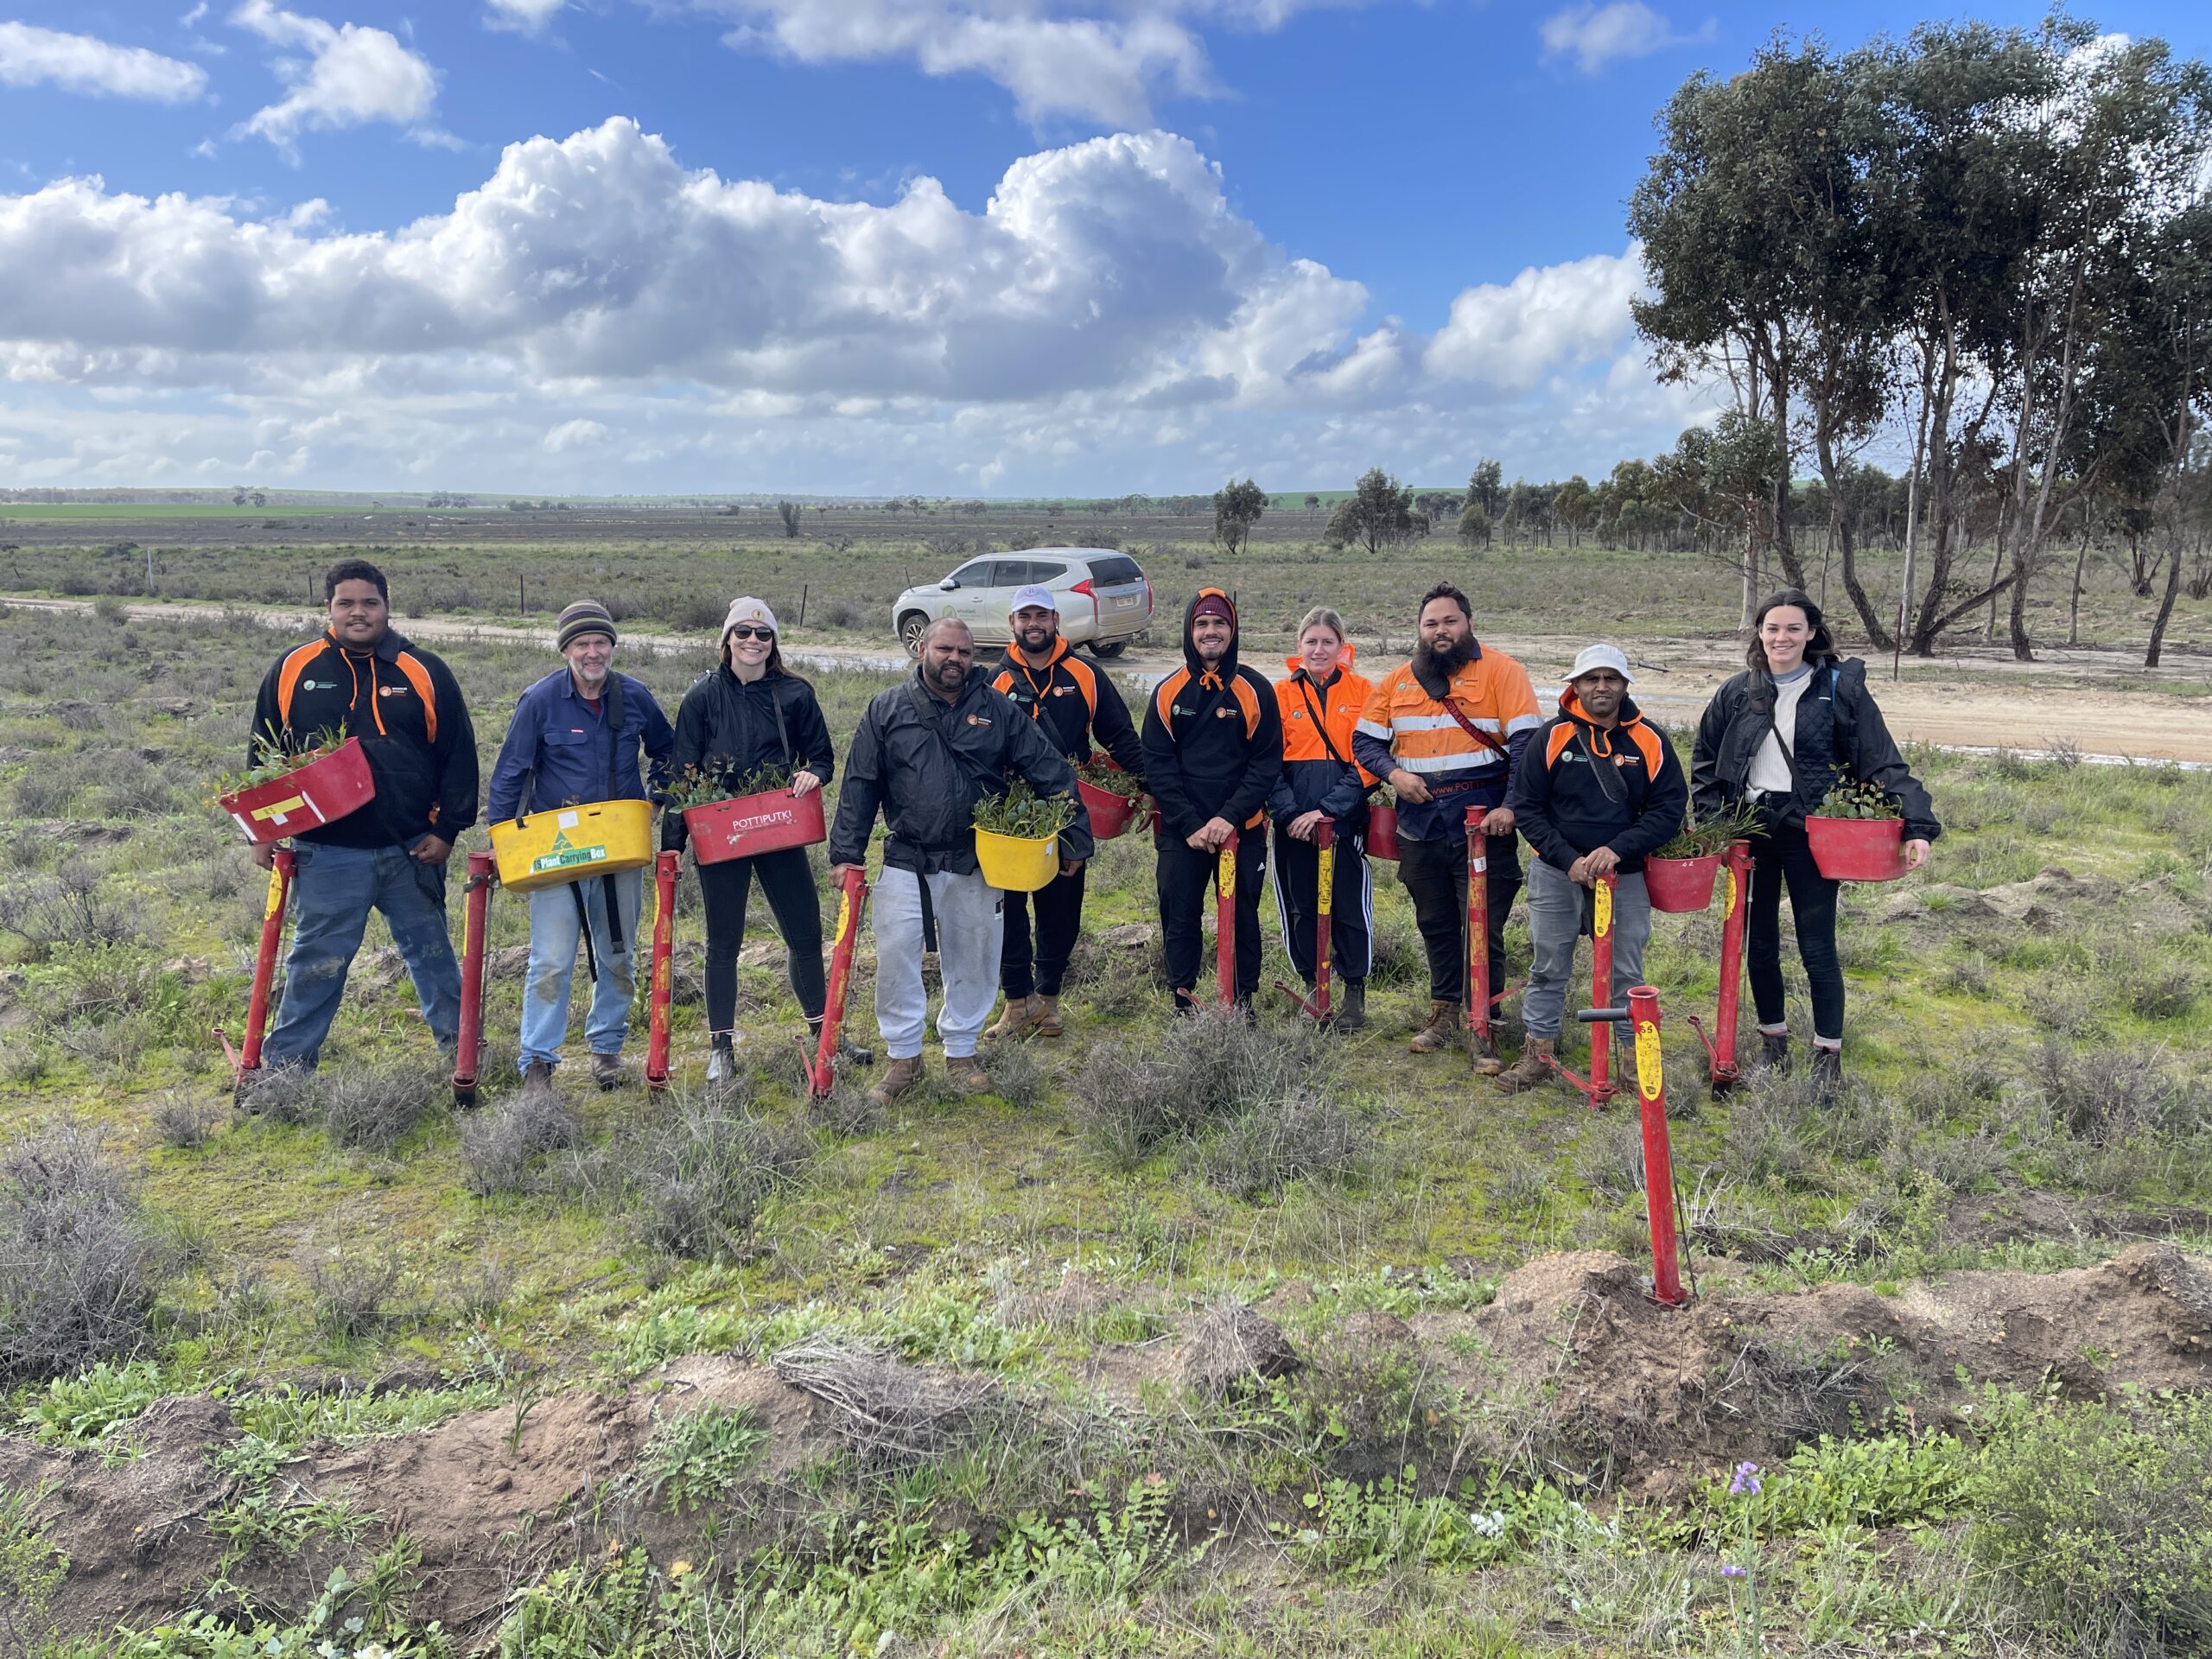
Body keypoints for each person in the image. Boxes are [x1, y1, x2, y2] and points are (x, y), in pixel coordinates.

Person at [830, 618, 1092, 1103]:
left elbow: (1048, 768)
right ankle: (903, 1058)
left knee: (974, 956)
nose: (955, 659)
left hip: (975, 857)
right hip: (906, 856)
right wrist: (846, 854)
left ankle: (961, 1052)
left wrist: (1074, 836)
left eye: (965, 653)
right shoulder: (887, 709)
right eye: (945, 649)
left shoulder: (998, 709)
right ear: (922, 649)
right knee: (897, 956)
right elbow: (861, 783)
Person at [1691, 588, 1937, 1093]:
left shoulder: (1838, 689)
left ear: (1811, 633)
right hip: (1751, 832)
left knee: (1816, 943)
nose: (1782, 638)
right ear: (1759, 633)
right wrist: (1716, 827)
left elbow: (1880, 759)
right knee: (1757, 944)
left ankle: (1828, 1058)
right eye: (1773, 628)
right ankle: (1772, 1046)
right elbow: (1706, 767)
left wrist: (1916, 825)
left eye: (1793, 628)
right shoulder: (1737, 692)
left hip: (1812, 833)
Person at [245, 558, 477, 1081]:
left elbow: (458, 755)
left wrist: (446, 831)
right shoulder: (294, 669)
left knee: (434, 959)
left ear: (386, 607)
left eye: (369, 603)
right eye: (346, 603)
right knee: (315, 964)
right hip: (326, 852)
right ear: (327, 608)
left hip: (411, 850)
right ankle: (287, 1073)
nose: (358, 613)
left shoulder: (425, 670)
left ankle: (462, 1058)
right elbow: (264, 752)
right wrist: (262, 831)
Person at [486, 600, 675, 1097]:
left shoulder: (634, 697)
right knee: (550, 959)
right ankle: (538, 1064)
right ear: (567, 648)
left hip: (620, 845)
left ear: (612, 645)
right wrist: (505, 839)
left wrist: (655, 801)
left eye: (601, 642)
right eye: (582, 644)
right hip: (557, 848)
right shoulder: (540, 700)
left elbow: (668, 753)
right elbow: (510, 772)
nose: (593, 653)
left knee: (617, 953)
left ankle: (607, 1049)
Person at [1353, 583, 1541, 1072]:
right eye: (1431, 623)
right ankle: (1443, 1014)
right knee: (1435, 923)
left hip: (1484, 825)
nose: (1440, 631)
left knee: (1484, 927)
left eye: (1449, 621)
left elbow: (1526, 746)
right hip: (1420, 825)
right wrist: (1394, 774)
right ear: (1419, 630)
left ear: (1469, 624)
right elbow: (1365, 741)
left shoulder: (1503, 672)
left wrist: (1512, 806)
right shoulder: (1397, 682)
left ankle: (1486, 1024)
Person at [664, 599, 840, 1085]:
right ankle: (721, 1046)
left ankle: (825, 1036)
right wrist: (672, 845)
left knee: (804, 933)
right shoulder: (701, 696)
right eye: (742, 632)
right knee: (723, 941)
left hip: (780, 824)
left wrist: (812, 774)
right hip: (721, 832)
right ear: (726, 639)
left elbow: (822, 755)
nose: (753, 642)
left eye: (763, 636)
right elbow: (684, 771)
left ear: (773, 643)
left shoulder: (796, 694)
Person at [1497, 645, 1687, 1094]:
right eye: (1591, 679)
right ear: (1575, 686)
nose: (1601, 687)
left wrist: (1617, 850)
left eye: (1611, 678)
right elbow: (1527, 806)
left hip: (1628, 875)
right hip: (1555, 873)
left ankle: (1630, 1062)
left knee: (1627, 971)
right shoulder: (1551, 737)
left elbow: (1668, 811)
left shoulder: (1651, 740)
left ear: (1624, 686)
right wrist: (1570, 860)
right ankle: (1538, 1054)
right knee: (1547, 966)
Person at [983, 583, 1147, 1040]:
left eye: (1041, 616)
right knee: (1007, 910)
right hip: (1011, 817)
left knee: (1062, 908)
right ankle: (1017, 1003)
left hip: (1069, 812)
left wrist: (1151, 788)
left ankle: (1049, 1002)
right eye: (1024, 617)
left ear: (1056, 622)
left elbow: (1119, 737)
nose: (1033, 625)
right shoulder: (994, 680)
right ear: (1012, 625)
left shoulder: (1086, 674)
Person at [1142, 588, 1283, 1014]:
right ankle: (1183, 1002)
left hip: (1242, 829)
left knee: (1242, 917)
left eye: (1219, 623)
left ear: (1232, 629)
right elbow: (1158, 764)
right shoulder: (1168, 691)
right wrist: (1189, 824)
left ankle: (1242, 1003)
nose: (1210, 631)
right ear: (1189, 630)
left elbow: (1265, 765)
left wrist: (1228, 818)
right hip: (1182, 831)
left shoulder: (1256, 689)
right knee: (1179, 914)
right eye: (1202, 623)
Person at [1268, 607, 1376, 1030]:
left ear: (1341, 646)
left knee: (1349, 905)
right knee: (1301, 907)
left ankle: (1353, 991)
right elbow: (1265, 763)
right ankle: (1314, 985)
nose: (1318, 649)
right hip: (1292, 824)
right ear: (1299, 647)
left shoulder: (1364, 691)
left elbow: (1369, 760)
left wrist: (1328, 810)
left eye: (1327, 641)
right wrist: (1292, 813)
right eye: (1310, 642)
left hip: (1343, 822)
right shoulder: (1279, 694)